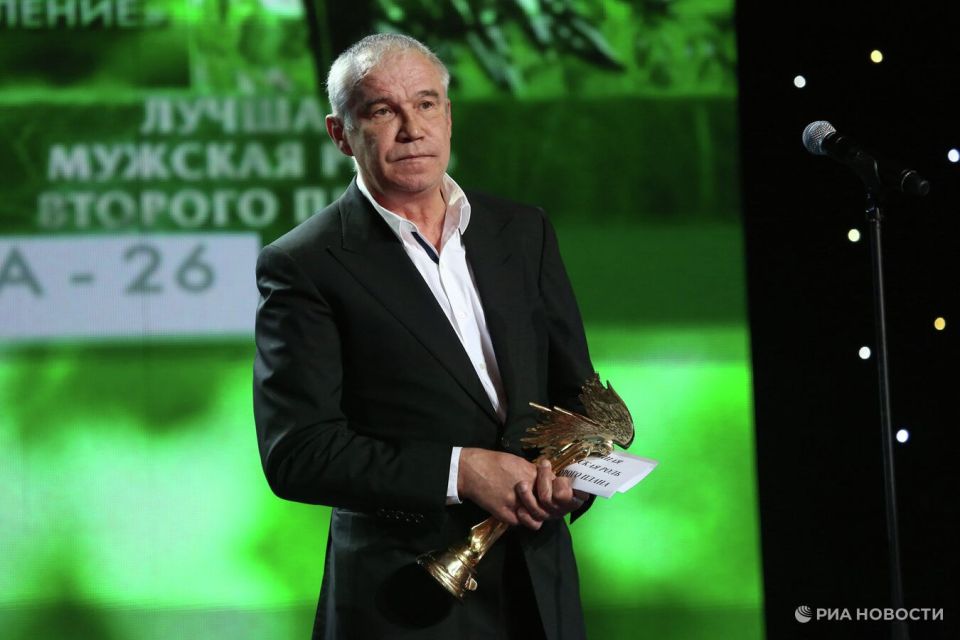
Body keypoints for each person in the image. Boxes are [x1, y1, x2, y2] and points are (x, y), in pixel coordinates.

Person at [253, 33, 595, 640]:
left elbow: (578, 399)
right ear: (340, 134)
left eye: (426, 103)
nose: (412, 129)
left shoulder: (523, 230)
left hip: (540, 590)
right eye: (382, 110)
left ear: (449, 115)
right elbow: (298, 454)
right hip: (406, 601)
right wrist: (461, 471)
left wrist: (573, 483)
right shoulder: (304, 264)